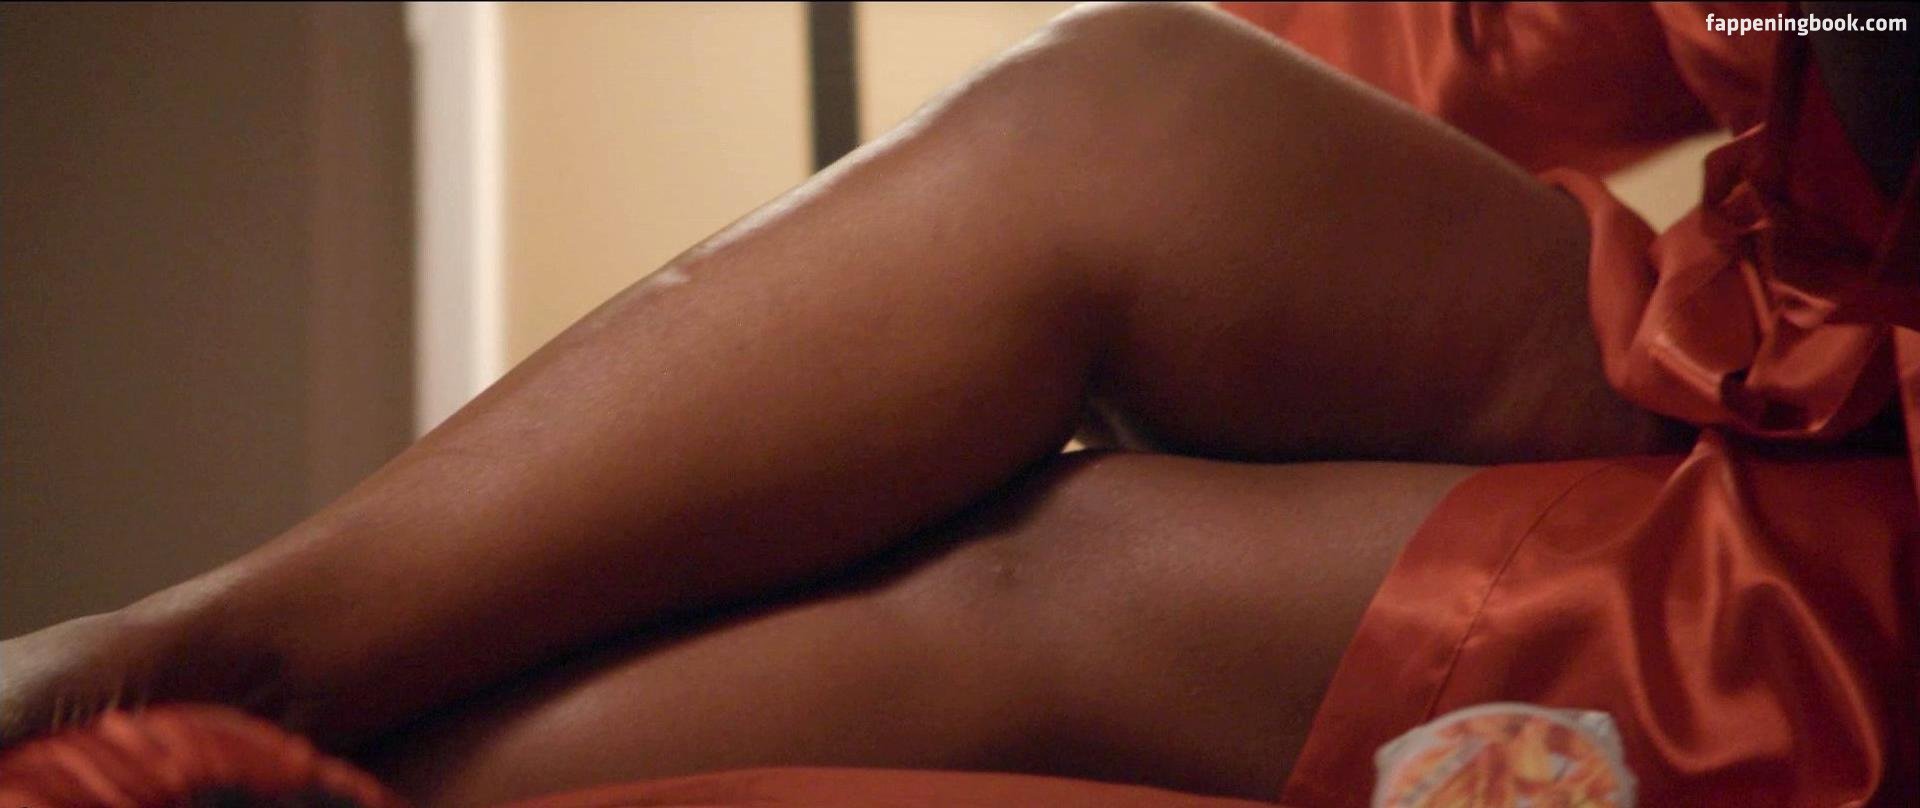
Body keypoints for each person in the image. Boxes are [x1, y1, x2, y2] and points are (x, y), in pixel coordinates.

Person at [2, 2, 1915, 806]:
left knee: (1059, 571)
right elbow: (1496, 36)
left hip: (1878, 587)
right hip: (1800, 332)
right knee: (1125, 118)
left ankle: (228, 761)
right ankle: (218, 651)